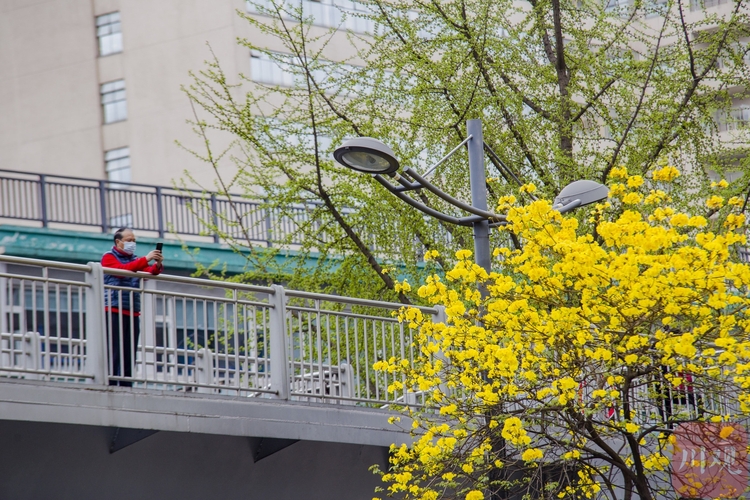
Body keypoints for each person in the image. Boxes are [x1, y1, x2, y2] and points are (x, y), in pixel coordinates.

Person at [101, 227, 163, 386]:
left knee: (129, 350)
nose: (132, 243)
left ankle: (126, 384)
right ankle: (112, 383)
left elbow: (149, 272)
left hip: (132, 311)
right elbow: (122, 272)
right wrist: (145, 259)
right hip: (113, 309)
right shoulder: (108, 258)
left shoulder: (134, 260)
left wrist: (157, 264)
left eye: (134, 241)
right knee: (114, 349)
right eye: (129, 240)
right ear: (118, 242)